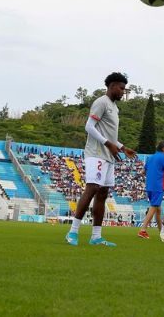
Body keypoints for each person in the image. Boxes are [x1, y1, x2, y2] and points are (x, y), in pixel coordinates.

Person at [65, 72, 137, 247]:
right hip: (96, 153)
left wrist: (121, 147)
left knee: (103, 194)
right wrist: (108, 144)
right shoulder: (101, 102)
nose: (123, 92)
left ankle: (96, 236)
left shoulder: (114, 107)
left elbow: (108, 134)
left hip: (108, 155)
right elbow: (89, 127)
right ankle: (72, 231)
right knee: (92, 189)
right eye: (121, 88)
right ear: (112, 86)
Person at [138, 141, 164, 239]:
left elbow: (142, 172)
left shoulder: (150, 158)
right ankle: (143, 230)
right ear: (163, 148)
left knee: (158, 209)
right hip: (158, 186)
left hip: (149, 186)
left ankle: (162, 231)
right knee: (154, 207)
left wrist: (152, 175)